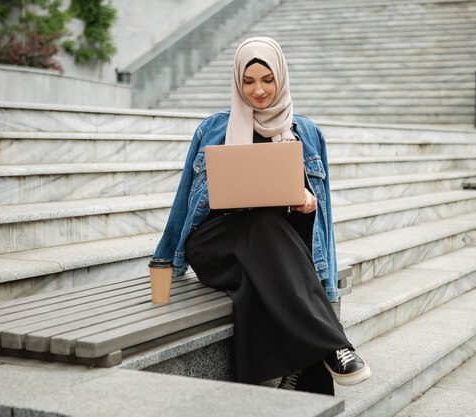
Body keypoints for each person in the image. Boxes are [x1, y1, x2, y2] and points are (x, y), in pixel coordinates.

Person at [152, 37, 370, 394]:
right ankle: (333, 344)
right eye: (248, 81)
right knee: (263, 229)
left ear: (281, 78)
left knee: (264, 250)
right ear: (237, 81)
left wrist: (308, 201)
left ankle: (299, 369)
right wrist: (164, 264)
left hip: (273, 249)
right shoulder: (212, 129)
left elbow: (323, 214)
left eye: (267, 80)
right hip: (215, 243)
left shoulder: (307, 132)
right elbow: (183, 201)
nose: (258, 90)